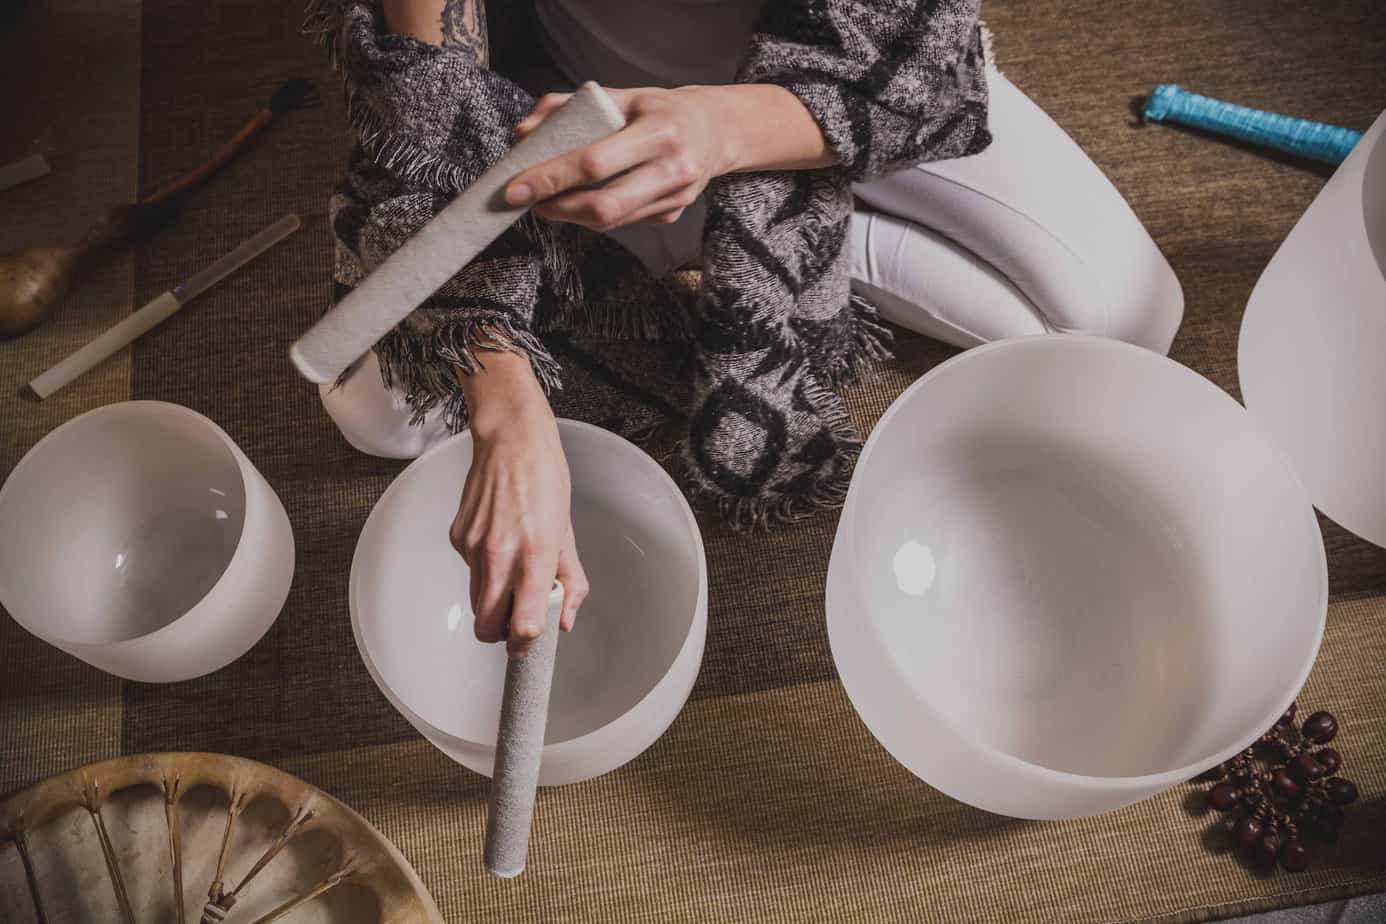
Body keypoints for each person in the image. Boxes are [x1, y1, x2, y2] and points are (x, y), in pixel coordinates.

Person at [313, 0, 1183, 657]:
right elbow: (431, 92)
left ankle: (780, 230)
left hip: (834, 77)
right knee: (376, 408)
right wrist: (509, 413)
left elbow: (907, 32)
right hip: (577, 98)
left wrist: (720, 135)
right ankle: (681, 232)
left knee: (1125, 319)